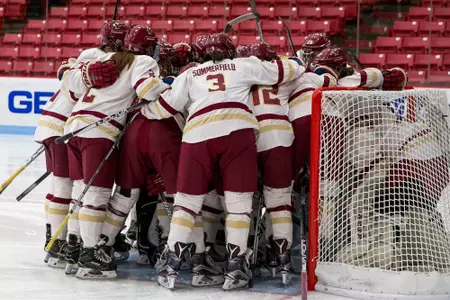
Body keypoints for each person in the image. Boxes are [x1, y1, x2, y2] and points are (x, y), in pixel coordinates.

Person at [143, 32, 305, 290]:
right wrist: (297, 61)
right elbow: (287, 71)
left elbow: (165, 108)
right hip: (237, 131)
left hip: (197, 134)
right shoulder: (243, 65)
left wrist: (143, 109)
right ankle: (236, 267)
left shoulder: (190, 74)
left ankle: (172, 266)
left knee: (186, 203)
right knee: (239, 205)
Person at [62, 24, 168, 280]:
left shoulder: (105, 57)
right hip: (99, 132)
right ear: (147, 46)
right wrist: (170, 88)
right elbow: (147, 90)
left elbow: (70, 82)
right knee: (96, 196)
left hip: (74, 128)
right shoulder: (143, 61)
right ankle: (90, 257)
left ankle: (75, 249)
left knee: (81, 192)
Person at [34, 20, 127, 270]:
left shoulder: (95, 56)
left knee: (67, 187)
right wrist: (81, 74)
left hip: (58, 124)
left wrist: (74, 72)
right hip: (67, 125)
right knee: (70, 188)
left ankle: (61, 242)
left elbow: (65, 71)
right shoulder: (102, 57)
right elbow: (68, 77)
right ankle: (64, 243)